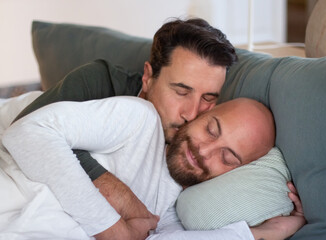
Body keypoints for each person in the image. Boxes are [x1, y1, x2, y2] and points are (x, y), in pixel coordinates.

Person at [11, 17, 239, 238]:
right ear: (148, 77)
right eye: (181, 92)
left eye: (208, 98)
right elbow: (24, 134)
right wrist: (119, 195)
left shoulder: (188, 147)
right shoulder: (100, 82)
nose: (192, 113)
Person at [3, 95, 305, 240]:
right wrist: (114, 230)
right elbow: (28, 132)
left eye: (227, 158)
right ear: (203, 113)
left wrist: (266, 231)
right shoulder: (140, 124)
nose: (203, 150)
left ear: (237, 174)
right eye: (211, 130)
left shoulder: (176, 216)